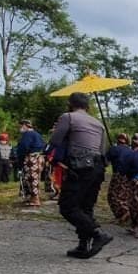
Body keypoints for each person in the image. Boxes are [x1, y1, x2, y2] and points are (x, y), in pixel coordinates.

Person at [49, 92, 112, 259]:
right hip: (98, 167)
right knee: (86, 207)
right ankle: (83, 246)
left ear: (70, 104)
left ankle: (97, 234)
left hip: (80, 166)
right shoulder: (99, 124)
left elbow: (55, 140)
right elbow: (102, 149)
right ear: (88, 107)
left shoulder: (68, 117)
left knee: (68, 206)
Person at [16, 119, 45, 207]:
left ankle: (36, 199)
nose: (19, 128)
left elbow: (23, 147)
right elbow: (44, 144)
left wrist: (20, 160)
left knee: (31, 179)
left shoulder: (27, 134)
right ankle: (33, 198)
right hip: (39, 157)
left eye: (20, 126)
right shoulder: (37, 134)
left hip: (31, 158)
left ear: (25, 125)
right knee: (35, 179)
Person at [106, 134, 133, 224]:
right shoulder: (131, 150)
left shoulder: (114, 149)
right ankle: (125, 214)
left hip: (118, 175)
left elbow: (106, 161)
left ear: (118, 140)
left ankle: (124, 214)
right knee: (126, 196)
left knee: (113, 196)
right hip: (130, 176)